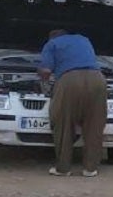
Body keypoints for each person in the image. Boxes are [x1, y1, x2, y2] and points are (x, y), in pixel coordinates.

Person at [37, 28, 108, 178]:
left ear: (52, 37)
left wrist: (43, 81)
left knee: (63, 122)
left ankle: (63, 169)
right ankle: (90, 169)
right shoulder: (84, 39)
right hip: (98, 79)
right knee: (94, 124)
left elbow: (46, 71)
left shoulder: (52, 44)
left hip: (69, 80)